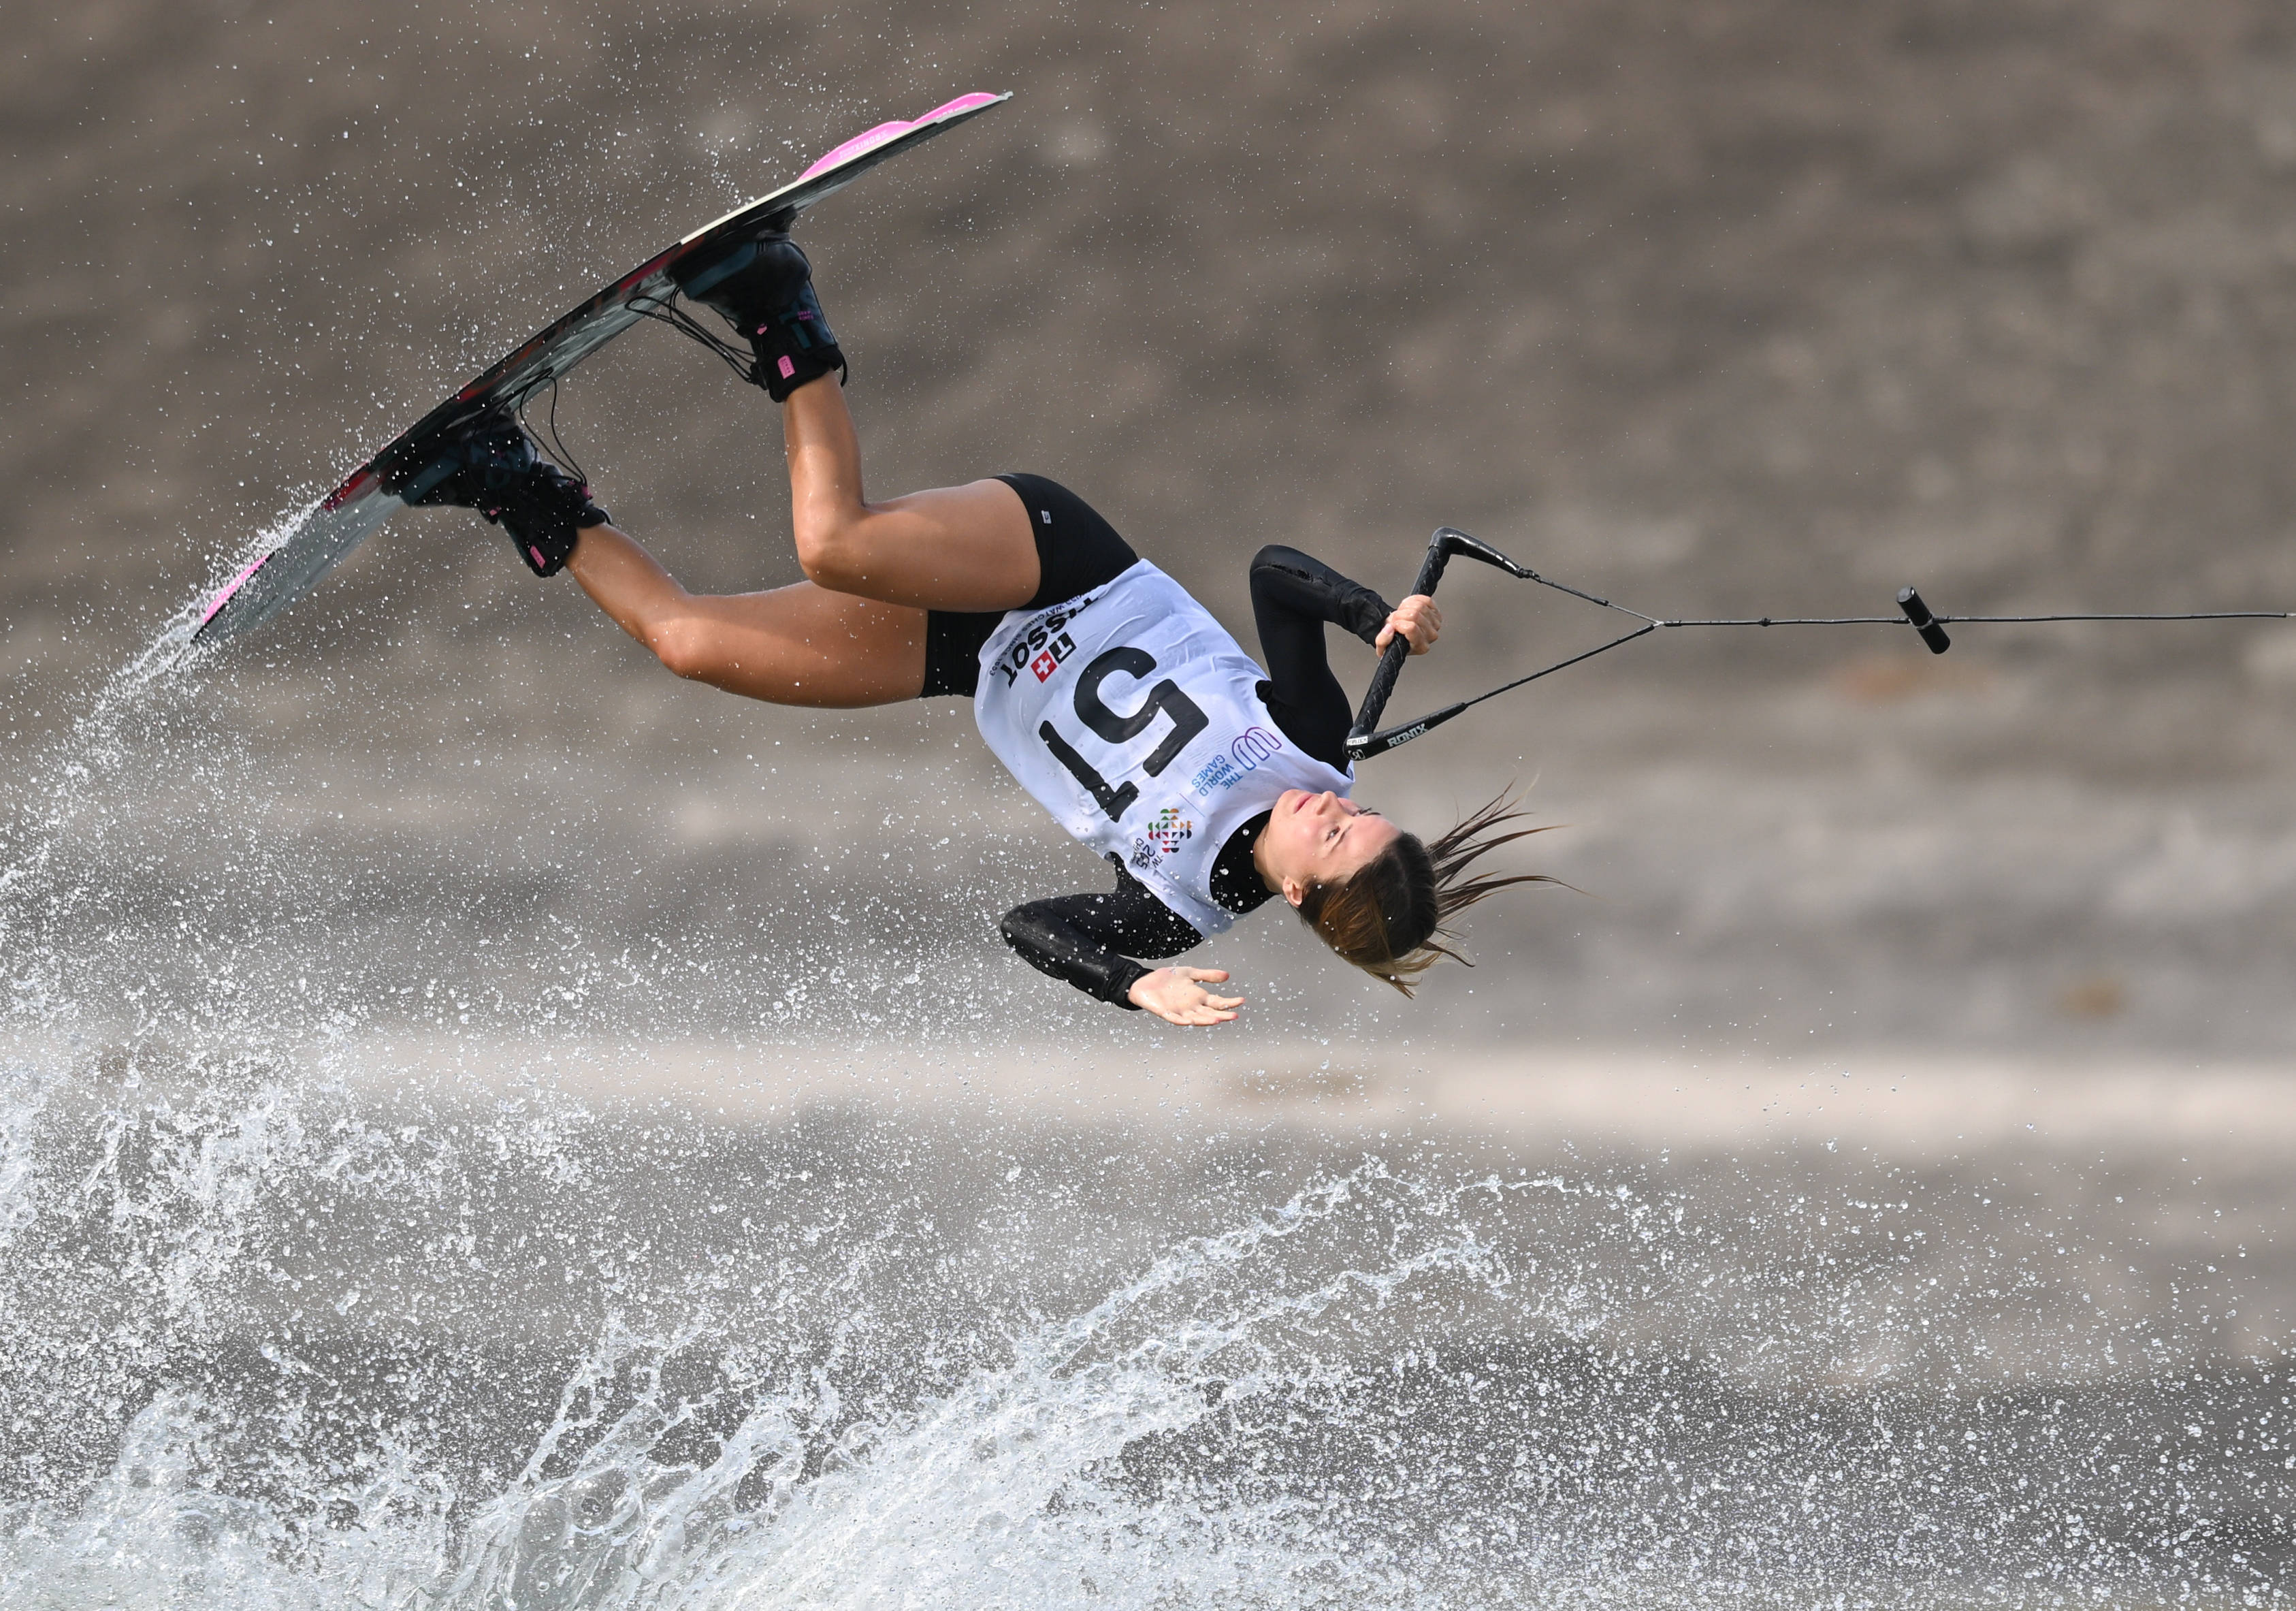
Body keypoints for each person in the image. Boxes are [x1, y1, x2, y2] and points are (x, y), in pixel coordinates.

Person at [404, 223, 1550, 1025]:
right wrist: (1368, 610)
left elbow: (1031, 925)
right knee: (833, 543)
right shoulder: (1309, 739)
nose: (1334, 806)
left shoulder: (1175, 905)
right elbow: (1272, 573)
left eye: (1337, 838)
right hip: (1061, 567)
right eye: (1363, 814)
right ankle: (774, 298)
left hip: (972, 653)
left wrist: (1131, 983)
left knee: (689, 645)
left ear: (1298, 893)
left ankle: (507, 478)